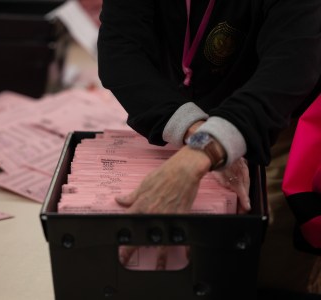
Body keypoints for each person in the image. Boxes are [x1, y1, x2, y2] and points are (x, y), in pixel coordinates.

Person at [97, 0, 321, 294]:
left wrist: (204, 150)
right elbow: (121, 50)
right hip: (187, 115)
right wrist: (195, 130)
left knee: (263, 261)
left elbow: (291, 65)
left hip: (280, 125)